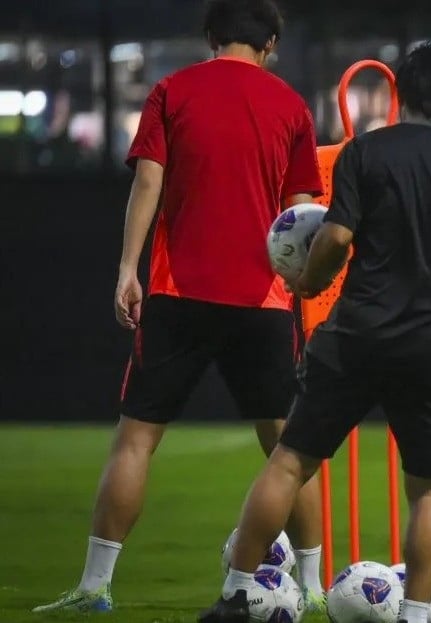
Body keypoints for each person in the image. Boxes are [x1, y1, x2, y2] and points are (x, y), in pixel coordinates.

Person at [197, 40, 431, 623]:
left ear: (400, 93)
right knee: (429, 491)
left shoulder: (364, 153)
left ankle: (237, 594)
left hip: (353, 336)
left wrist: (307, 285)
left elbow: (334, 240)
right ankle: (413, 615)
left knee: (288, 463)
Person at [33, 0, 328, 614]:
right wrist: (305, 281)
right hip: (265, 299)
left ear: (211, 36)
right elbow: (301, 213)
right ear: (270, 42)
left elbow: (148, 181)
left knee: (135, 442)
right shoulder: (292, 107)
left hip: (178, 294)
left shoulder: (172, 90)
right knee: (290, 450)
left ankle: (93, 588)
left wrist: (126, 269)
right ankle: (317, 589)